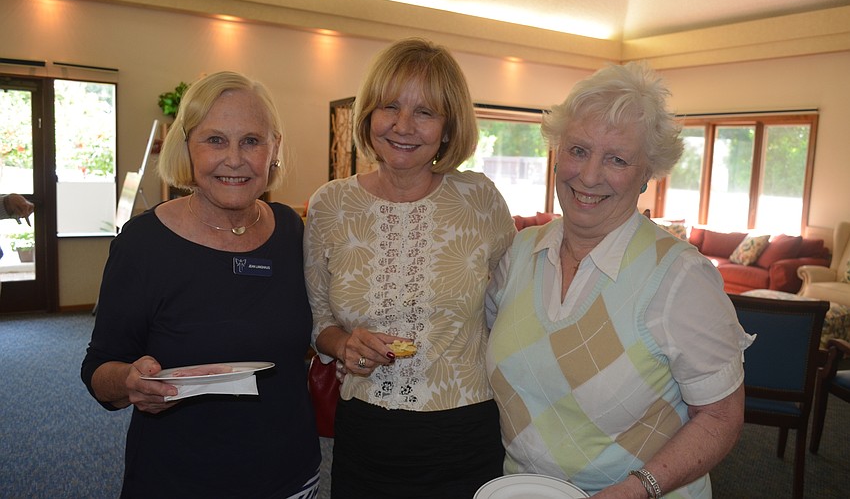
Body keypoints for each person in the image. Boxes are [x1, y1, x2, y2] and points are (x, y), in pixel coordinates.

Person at [486, 62, 753, 498]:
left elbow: (721, 418)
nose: (590, 176)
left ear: (647, 173)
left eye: (617, 159)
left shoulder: (681, 278)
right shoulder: (519, 253)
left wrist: (639, 488)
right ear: (557, 153)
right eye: (578, 150)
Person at [81, 71, 321, 498]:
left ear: (274, 149)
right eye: (215, 140)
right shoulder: (144, 244)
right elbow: (99, 371)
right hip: (179, 479)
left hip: (290, 474)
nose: (235, 159)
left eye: (251, 141)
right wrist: (131, 381)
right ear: (187, 146)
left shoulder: (292, 230)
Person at [304, 37, 516, 498]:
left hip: (466, 431)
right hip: (365, 432)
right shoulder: (330, 205)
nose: (403, 126)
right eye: (389, 106)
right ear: (368, 115)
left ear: (448, 127)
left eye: (425, 112)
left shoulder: (479, 200)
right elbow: (319, 323)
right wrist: (344, 344)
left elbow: (512, 310)